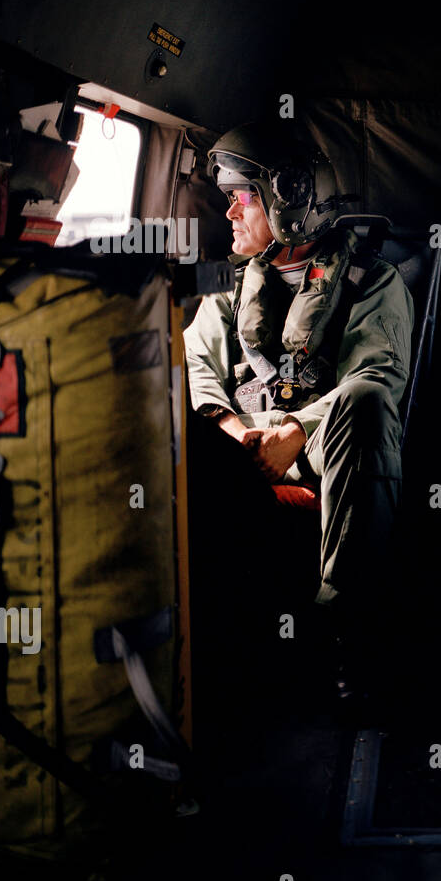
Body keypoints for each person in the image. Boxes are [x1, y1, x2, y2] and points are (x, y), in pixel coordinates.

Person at [183, 120, 414, 695]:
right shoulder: (227, 291)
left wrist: (293, 428)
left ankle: (351, 630)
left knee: (366, 401)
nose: (230, 213)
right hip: (239, 447)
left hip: (322, 444)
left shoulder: (372, 282)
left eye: (240, 199)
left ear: (289, 200)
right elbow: (194, 367)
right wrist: (234, 432)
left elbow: (376, 373)